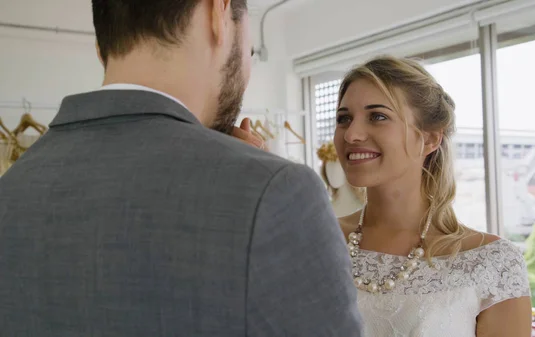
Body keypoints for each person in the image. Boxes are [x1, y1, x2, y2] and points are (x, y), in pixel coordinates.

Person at [0, 1, 363, 336]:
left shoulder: (11, 189)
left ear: (103, 46)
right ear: (218, 14)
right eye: (250, 48)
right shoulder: (281, 194)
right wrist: (254, 185)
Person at [335, 56, 532, 337]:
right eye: (344, 118)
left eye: (378, 116)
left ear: (429, 139)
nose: (351, 134)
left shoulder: (493, 263)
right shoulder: (316, 238)